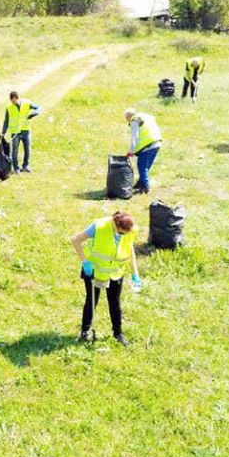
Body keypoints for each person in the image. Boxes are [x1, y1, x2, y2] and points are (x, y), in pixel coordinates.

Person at [70, 211, 141, 346]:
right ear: (114, 224)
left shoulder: (129, 231)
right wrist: (85, 262)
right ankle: (85, 331)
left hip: (116, 272)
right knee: (91, 301)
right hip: (94, 271)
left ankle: (118, 333)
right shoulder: (99, 226)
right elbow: (75, 240)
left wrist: (134, 273)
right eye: (121, 233)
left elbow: (129, 250)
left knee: (115, 303)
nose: (123, 235)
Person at [0, 91, 42, 174]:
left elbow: (39, 107)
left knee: (27, 150)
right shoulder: (9, 107)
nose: (14, 103)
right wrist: (3, 132)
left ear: (17, 98)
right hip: (15, 132)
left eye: (15, 101)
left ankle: (25, 166)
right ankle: (16, 168)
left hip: (25, 130)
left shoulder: (27, 103)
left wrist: (34, 113)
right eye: (12, 101)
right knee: (15, 151)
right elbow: (6, 121)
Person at [124, 108, 162, 194]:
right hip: (157, 142)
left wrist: (131, 151)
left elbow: (135, 137)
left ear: (128, 117)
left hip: (148, 145)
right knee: (146, 166)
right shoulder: (146, 116)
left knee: (142, 166)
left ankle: (146, 187)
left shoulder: (134, 120)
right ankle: (140, 183)